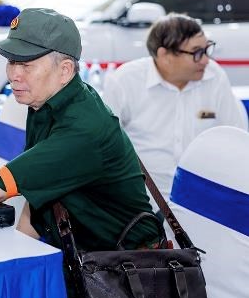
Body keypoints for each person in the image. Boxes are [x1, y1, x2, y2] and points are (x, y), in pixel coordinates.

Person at [0, 8, 159, 298]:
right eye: (12, 61)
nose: (13, 73)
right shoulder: (49, 101)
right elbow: (40, 193)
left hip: (122, 276)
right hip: (79, 256)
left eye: (26, 64)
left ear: (65, 70)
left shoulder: (81, 129)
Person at [103, 13, 248, 208]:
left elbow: (236, 138)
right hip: (143, 202)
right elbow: (105, 150)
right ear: (165, 56)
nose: (205, 60)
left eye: (207, 49)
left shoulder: (214, 76)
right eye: (196, 52)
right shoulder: (125, 82)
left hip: (204, 200)